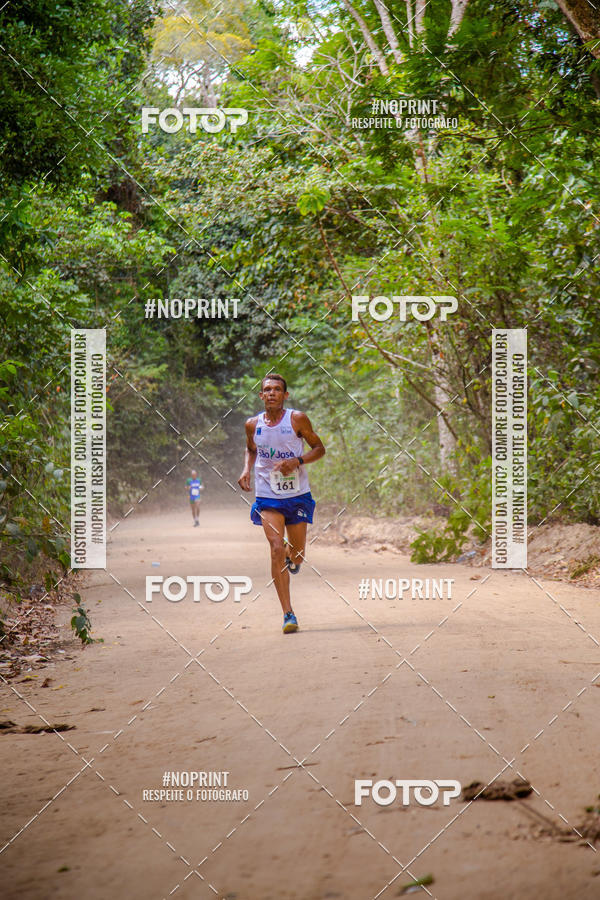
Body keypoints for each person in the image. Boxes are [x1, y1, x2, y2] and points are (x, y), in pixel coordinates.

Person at [237, 374, 325, 633]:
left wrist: (296, 462)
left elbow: (319, 448)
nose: (272, 393)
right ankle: (288, 613)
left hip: (297, 493)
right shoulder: (252, 425)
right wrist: (246, 469)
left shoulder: (296, 419)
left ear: (285, 395)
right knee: (275, 546)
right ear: (261, 396)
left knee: (297, 555)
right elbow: (252, 449)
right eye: (267, 390)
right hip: (267, 494)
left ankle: (292, 555)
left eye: (277, 389)